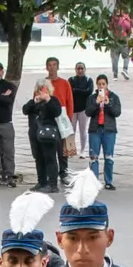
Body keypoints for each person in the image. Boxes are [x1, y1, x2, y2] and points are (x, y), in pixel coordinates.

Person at [22, 81, 62, 194]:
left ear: (49, 91)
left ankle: (53, 184)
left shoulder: (53, 100)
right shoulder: (33, 102)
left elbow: (57, 112)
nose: (41, 92)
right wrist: (34, 101)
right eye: (39, 90)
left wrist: (47, 99)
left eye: (44, 90)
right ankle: (41, 182)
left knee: (50, 158)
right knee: (38, 158)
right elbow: (25, 110)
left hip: (48, 134)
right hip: (35, 134)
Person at [84, 74, 120, 191]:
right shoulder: (92, 98)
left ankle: (108, 182)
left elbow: (117, 112)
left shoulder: (114, 97)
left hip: (109, 130)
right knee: (93, 157)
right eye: (99, 84)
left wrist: (108, 104)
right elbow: (88, 112)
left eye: (103, 84)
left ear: (107, 85)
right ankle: (94, 182)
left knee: (109, 157)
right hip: (95, 130)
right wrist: (96, 103)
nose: (101, 86)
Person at [45, 57, 74, 187]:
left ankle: (63, 173)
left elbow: (69, 101)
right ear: (46, 67)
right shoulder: (43, 83)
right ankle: (50, 174)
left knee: (63, 148)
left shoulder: (64, 83)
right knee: (49, 146)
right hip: (48, 116)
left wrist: (69, 118)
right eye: (50, 65)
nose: (52, 67)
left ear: (57, 67)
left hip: (62, 116)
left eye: (54, 65)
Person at [69, 62, 93, 159]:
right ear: (75, 70)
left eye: (82, 68)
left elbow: (89, 91)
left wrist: (77, 91)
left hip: (83, 109)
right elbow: (70, 92)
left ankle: (83, 150)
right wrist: (81, 91)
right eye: (78, 68)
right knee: (71, 130)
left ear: (85, 69)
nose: (80, 70)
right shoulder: (71, 80)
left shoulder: (88, 80)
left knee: (83, 130)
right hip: (73, 109)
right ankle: (71, 150)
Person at [108, 12, 132, 81]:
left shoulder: (112, 20)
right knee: (126, 56)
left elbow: (109, 29)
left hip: (114, 41)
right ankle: (125, 70)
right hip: (124, 40)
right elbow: (129, 30)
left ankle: (115, 75)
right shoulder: (125, 20)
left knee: (114, 59)